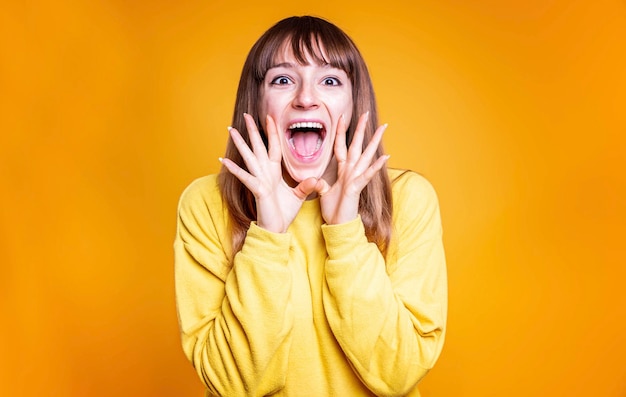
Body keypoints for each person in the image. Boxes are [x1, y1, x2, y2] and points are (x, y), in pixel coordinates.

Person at [174, 15, 447, 397]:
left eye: (330, 80)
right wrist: (268, 235)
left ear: (354, 103)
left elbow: (399, 373)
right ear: (256, 99)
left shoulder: (408, 199)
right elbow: (231, 384)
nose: (305, 97)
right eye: (283, 80)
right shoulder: (205, 204)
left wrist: (345, 232)